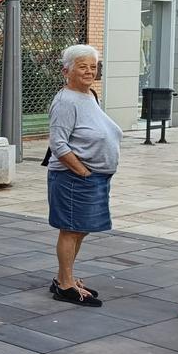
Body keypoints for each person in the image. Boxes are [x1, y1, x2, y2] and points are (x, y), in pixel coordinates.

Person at [46, 44, 120, 307]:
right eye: (82, 66)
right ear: (67, 70)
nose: (89, 71)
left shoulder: (89, 94)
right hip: (74, 178)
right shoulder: (66, 101)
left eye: (93, 66)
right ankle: (65, 285)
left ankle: (64, 277)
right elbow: (58, 144)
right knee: (71, 230)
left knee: (80, 230)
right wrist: (82, 171)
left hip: (92, 177)